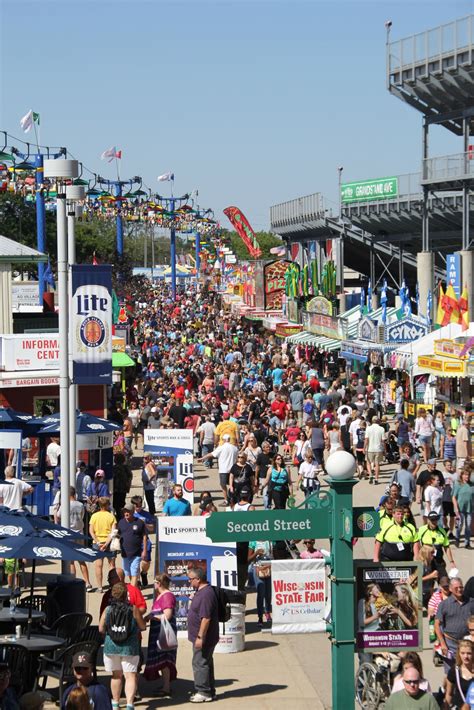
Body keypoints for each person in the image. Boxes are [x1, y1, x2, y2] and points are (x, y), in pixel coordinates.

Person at [99, 582, 146, 710]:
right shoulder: (133, 609)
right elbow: (142, 627)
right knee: (130, 676)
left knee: (116, 675)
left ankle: (115, 703)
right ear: (126, 595)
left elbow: (101, 628)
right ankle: (130, 704)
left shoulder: (107, 609)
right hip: (129, 647)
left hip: (111, 646)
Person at [187, 568, 219, 703]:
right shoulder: (201, 592)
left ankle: (203, 691)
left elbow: (206, 618)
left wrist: (200, 637)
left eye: (190, 579)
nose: (189, 582)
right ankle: (210, 691)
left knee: (199, 663)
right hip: (203, 637)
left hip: (204, 638)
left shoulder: (206, 594)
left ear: (198, 579)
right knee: (206, 662)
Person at [143, 573, 177, 697]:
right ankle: (165, 685)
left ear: (160, 583)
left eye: (155, 582)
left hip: (164, 633)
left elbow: (167, 616)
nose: (154, 584)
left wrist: (152, 617)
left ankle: (166, 687)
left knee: (165, 660)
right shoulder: (160, 595)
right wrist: (149, 616)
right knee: (162, 660)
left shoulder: (167, 596)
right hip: (157, 632)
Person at [54, 486, 92, 591]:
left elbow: (58, 516)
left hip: (69, 534)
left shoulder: (64, 505)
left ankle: (73, 581)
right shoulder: (80, 505)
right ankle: (87, 582)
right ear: (74, 494)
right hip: (79, 533)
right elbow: (82, 516)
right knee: (82, 560)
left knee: (70, 561)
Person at [435, 577, 474, 670]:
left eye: (461, 587)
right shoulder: (444, 604)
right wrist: (443, 643)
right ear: (450, 589)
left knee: (468, 671)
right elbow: (437, 625)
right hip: (450, 644)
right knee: (451, 672)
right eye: (456, 588)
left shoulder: (471, 602)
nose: (459, 589)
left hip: (467, 643)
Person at [198, 434, 238, 505]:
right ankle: (233, 499)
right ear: (229, 439)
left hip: (223, 469)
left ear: (223, 440)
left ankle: (226, 500)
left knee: (223, 485)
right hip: (233, 470)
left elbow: (211, 454)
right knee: (232, 485)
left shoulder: (221, 448)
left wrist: (202, 458)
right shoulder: (235, 448)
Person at [415, 511, 456, 577]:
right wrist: (417, 558)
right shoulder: (421, 530)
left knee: (444, 582)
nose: (434, 522)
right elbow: (416, 544)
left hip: (439, 561)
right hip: (426, 562)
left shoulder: (442, 531)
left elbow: (447, 547)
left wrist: (452, 562)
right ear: (428, 520)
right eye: (432, 520)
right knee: (426, 584)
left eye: (436, 519)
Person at [89, 497, 117, 592]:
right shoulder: (111, 516)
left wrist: (97, 541)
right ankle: (112, 585)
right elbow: (113, 532)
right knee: (111, 565)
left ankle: (100, 587)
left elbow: (91, 531)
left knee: (98, 565)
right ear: (107, 505)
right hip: (109, 543)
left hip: (97, 543)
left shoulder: (94, 516)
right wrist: (106, 543)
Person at [117, 504, 148, 587]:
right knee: (128, 572)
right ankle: (135, 589)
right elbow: (118, 534)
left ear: (132, 511)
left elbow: (145, 536)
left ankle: (132, 592)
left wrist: (144, 550)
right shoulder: (121, 522)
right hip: (125, 553)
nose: (126, 513)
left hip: (136, 553)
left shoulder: (139, 522)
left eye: (128, 511)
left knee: (134, 572)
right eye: (125, 512)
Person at [130, 495, 155, 587]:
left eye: (140, 505)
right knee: (135, 563)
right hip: (134, 541)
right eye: (137, 506)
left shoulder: (146, 514)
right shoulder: (129, 514)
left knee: (146, 561)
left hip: (145, 541)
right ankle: (137, 581)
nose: (139, 508)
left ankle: (144, 573)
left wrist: (145, 524)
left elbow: (152, 528)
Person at [248, 538, 273, 627]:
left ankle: (268, 612)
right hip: (258, 569)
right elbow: (248, 559)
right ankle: (260, 617)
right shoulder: (253, 541)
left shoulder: (270, 540)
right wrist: (256, 553)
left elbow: (276, 555)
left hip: (269, 569)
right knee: (261, 593)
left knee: (268, 594)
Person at [445, 639, 473, 709]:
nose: (465, 656)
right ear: (459, 654)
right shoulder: (454, 671)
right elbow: (449, 694)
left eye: (469, 653)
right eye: (462, 653)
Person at [453, 468, 474, 549]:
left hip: (470, 509)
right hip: (460, 509)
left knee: (468, 526)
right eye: (465, 475)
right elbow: (454, 497)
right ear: (461, 476)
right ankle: (457, 539)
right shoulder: (458, 484)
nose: (467, 476)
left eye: (468, 475)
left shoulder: (472, 485)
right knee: (459, 525)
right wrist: (456, 508)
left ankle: (467, 543)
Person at [364, 417, 387, 485]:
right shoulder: (381, 429)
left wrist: (364, 447)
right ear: (378, 421)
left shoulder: (368, 428)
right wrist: (384, 449)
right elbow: (383, 441)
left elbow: (366, 439)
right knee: (377, 464)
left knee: (368, 462)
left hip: (370, 448)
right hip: (378, 448)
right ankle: (376, 478)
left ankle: (371, 474)